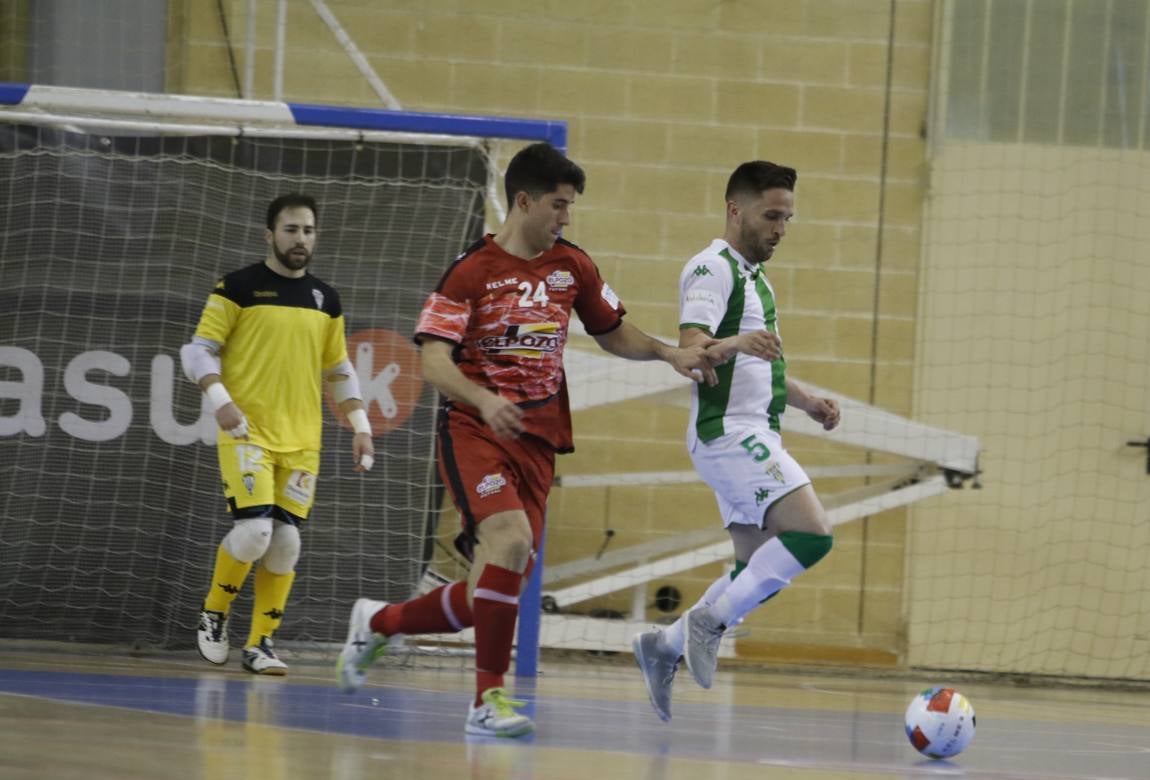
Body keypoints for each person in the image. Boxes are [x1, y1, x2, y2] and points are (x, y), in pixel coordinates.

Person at [336, 142, 715, 738]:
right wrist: (484, 399)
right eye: (559, 206)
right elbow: (432, 361)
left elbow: (613, 330)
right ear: (523, 201)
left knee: (491, 585)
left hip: (540, 440)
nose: (566, 218)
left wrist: (668, 353)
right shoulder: (471, 272)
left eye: (570, 208)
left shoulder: (573, 267)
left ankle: (381, 621)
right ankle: (488, 702)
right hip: (474, 432)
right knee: (509, 541)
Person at [632, 161, 839, 722]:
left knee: (756, 573)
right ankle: (710, 622)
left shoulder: (757, 278)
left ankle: (664, 646)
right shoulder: (711, 268)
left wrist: (809, 401)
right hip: (729, 435)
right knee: (813, 536)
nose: (780, 228)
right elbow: (693, 353)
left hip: (753, 431)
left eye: (788, 218)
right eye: (772, 215)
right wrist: (737, 341)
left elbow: (759, 369)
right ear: (735, 209)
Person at [181, 193, 375, 675]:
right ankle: (214, 612)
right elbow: (198, 352)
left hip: (304, 440)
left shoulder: (325, 298)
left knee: (287, 543)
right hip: (248, 431)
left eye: (308, 230)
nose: (300, 239)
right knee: (255, 531)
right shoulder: (238, 287)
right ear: (270, 234)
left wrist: (361, 425)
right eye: (290, 229)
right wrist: (221, 402)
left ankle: (260, 643)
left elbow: (340, 368)